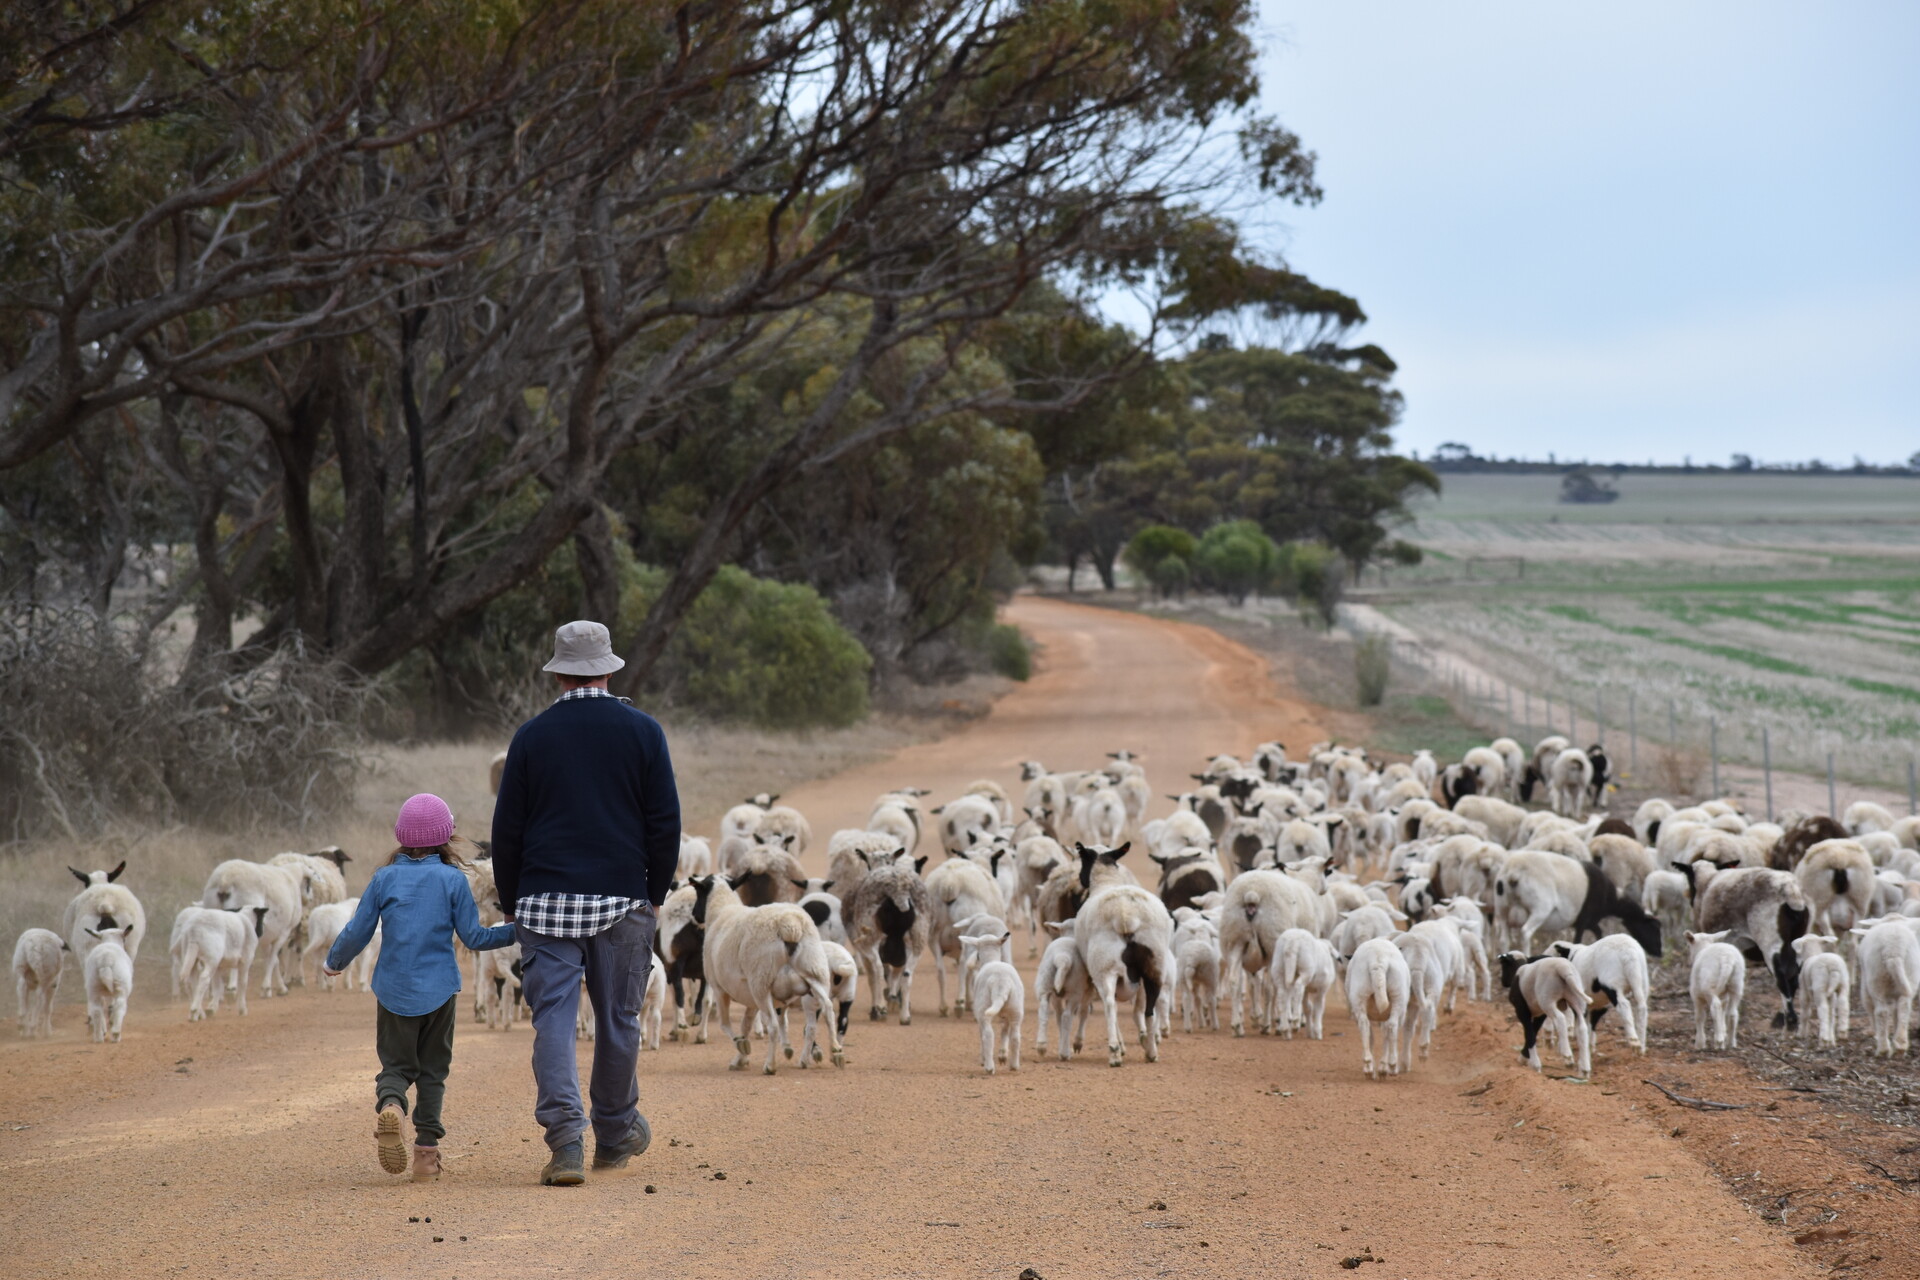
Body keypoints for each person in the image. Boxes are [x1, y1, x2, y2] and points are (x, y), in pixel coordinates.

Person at [491, 619, 680, 1186]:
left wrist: (510, 899)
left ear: (558, 675)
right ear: (607, 669)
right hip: (623, 899)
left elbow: (508, 829)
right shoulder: (643, 732)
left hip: (545, 902)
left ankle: (566, 1143)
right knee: (618, 1019)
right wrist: (654, 893)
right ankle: (616, 1131)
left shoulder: (530, 737)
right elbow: (664, 821)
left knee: (553, 1020)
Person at [324, 794, 516, 1182]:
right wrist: (518, 931)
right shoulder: (452, 880)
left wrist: (334, 961)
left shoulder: (384, 878)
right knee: (433, 1072)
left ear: (402, 837)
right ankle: (426, 1157)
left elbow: (358, 930)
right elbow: (475, 938)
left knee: (395, 1066)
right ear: (446, 838)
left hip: (393, 989)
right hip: (440, 991)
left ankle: (392, 1104)